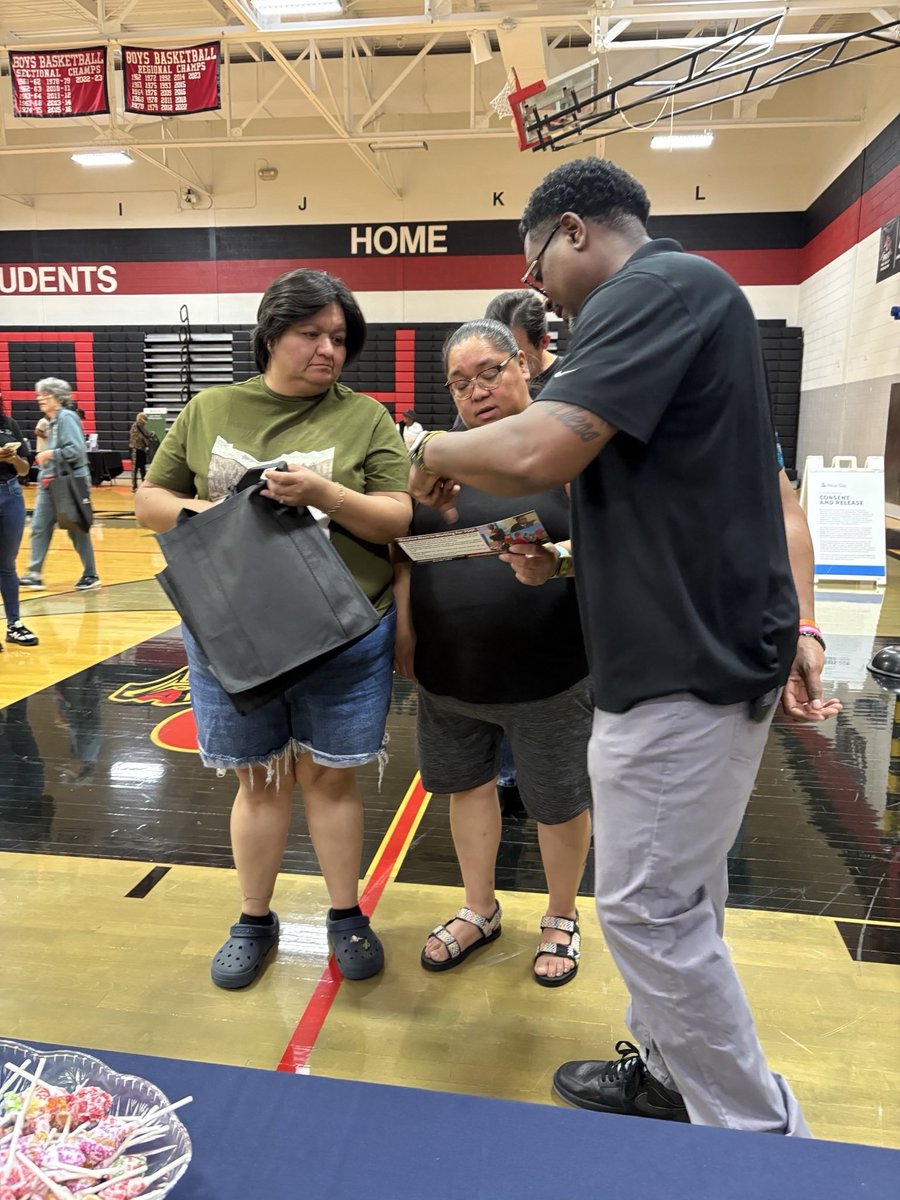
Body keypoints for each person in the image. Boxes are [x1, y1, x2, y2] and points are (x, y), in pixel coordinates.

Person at [407, 157, 841, 1134]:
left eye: (532, 267)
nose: (537, 295)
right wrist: (560, 562)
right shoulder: (690, 305)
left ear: (572, 230)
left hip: (680, 665)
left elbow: (535, 450)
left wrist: (425, 449)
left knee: (645, 912)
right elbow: (693, 504)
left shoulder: (655, 288)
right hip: (703, 641)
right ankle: (663, 1073)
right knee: (684, 894)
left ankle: (757, 1139)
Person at [136, 268, 412, 988]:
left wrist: (323, 493)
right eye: (311, 334)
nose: (329, 350)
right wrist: (215, 516)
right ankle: (254, 919)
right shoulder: (208, 409)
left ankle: (346, 915)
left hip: (347, 635)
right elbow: (149, 500)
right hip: (236, 635)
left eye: (340, 339)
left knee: (331, 783)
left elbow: (396, 517)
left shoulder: (366, 417)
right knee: (258, 782)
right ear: (270, 335)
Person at [395, 319, 592, 985]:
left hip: (552, 671)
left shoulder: (567, 451)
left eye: (488, 372)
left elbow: (616, 546)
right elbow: (406, 552)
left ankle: (562, 917)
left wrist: (558, 562)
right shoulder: (437, 461)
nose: (475, 390)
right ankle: (479, 909)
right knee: (465, 788)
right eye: (459, 381)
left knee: (558, 800)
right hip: (452, 671)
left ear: (523, 366)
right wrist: (405, 630)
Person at [19, 378, 100, 593]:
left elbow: (76, 451)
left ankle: (91, 574)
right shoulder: (51, 421)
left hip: (70, 483)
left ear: (57, 397)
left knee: (76, 528)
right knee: (39, 526)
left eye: (45, 395)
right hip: (50, 483)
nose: (40, 399)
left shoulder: (67, 418)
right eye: (39, 395)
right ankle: (34, 573)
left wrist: (49, 453)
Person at [0, 389, 39, 646]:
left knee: (7, 563)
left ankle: (14, 624)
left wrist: (13, 457)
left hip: (11, 493)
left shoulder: (8, 424)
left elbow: (26, 469)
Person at [484, 289, 561, 397]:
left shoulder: (570, 380)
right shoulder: (484, 383)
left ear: (544, 342)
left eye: (514, 354)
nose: (502, 364)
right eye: (495, 350)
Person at [129, 412, 154, 491]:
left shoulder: (140, 426)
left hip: (141, 450)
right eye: (144, 420)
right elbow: (143, 436)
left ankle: (143, 484)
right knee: (135, 468)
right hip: (136, 450)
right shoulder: (136, 426)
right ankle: (134, 486)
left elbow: (146, 434)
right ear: (140, 419)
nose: (145, 423)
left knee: (142, 468)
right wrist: (150, 439)